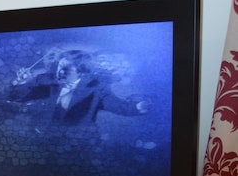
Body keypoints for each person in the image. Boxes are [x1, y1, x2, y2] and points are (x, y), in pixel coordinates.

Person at [8, 49, 148, 125]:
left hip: (76, 143)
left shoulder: (97, 89)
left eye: (66, 69)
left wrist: (138, 107)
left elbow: (119, 106)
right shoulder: (44, 79)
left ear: (81, 72)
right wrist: (21, 83)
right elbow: (15, 97)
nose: (59, 72)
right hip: (41, 136)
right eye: (59, 66)